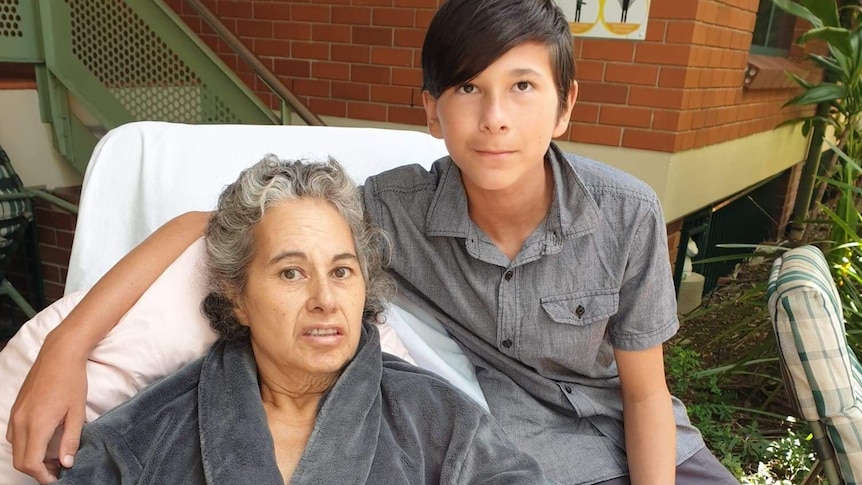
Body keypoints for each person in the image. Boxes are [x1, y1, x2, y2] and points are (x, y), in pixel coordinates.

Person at [9, 0, 739, 483]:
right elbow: (214, 226)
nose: (494, 118)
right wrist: (64, 351)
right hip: (535, 456)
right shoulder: (394, 207)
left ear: (564, 106)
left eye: (522, 87)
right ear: (431, 111)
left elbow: (644, 397)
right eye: (466, 90)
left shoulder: (627, 212)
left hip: (651, 444)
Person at [51, 156, 550, 484]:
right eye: (291, 272)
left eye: (341, 271)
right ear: (237, 296)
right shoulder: (146, 432)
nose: (324, 299)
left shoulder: (442, 422)